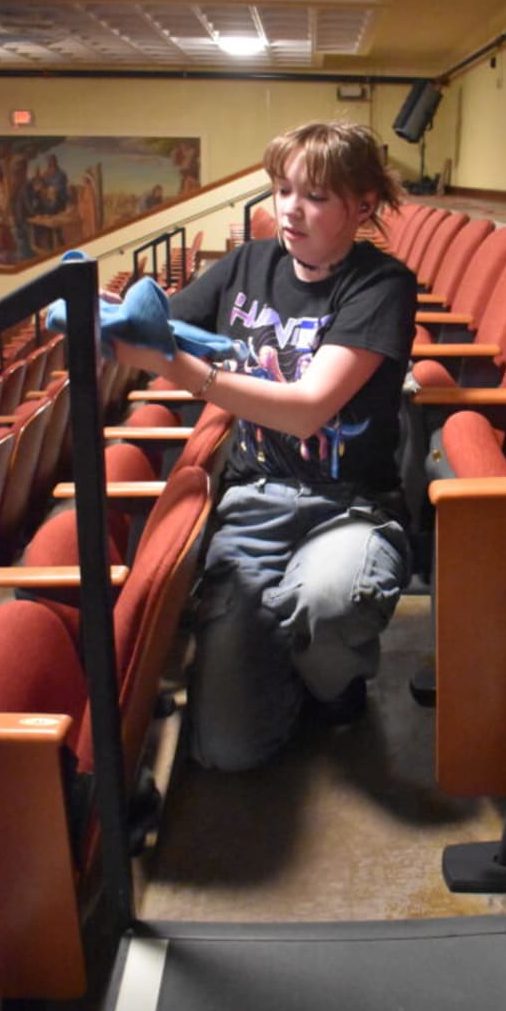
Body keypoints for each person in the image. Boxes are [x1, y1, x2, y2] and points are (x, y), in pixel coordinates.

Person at [113, 121, 417, 771]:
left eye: (314, 195)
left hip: (350, 506)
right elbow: (159, 326)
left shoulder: (381, 285)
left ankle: (332, 678)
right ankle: (293, 653)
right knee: (227, 751)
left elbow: (307, 410)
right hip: (253, 504)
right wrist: (110, 329)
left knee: (330, 601)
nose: (290, 209)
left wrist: (179, 370)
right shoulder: (248, 265)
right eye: (283, 189)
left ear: (362, 205)